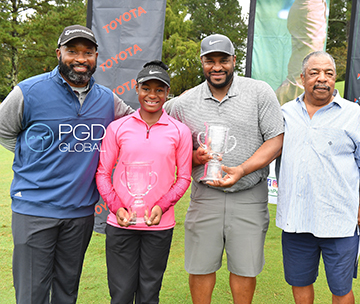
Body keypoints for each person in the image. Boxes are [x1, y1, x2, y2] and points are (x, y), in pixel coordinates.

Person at [0, 25, 134, 304]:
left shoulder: (108, 99)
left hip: (80, 213)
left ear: (97, 56)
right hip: (34, 210)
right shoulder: (29, 90)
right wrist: (30, 157)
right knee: (31, 294)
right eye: (72, 51)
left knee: (66, 291)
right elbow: (3, 129)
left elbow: (139, 125)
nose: (80, 59)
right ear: (59, 53)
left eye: (88, 52)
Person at [169, 34, 284, 304]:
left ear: (234, 60)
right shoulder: (184, 103)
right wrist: (194, 158)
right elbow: (163, 134)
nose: (217, 67)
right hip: (205, 196)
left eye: (223, 60)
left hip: (248, 194)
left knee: (245, 267)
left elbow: (276, 139)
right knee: (200, 265)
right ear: (202, 62)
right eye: (210, 61)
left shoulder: (259, 92)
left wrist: (242, 169)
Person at [276, 51, 360, 304]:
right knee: (300, 282)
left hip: (339, 221)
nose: (322, 79)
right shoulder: (285, 113)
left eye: (329, 73)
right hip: (295, 219)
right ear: (302, 78)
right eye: (314, 73)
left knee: (341, 288)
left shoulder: (352, 113)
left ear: (335, 78)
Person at [96, 60, 192, 303]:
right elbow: (102, 173)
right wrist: (117, 208)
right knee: (121, 294)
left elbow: (183, 178)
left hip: (159, 227)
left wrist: (162, 206)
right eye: (146, 88)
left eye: (159, 89)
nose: (152, 95)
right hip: (121, 226)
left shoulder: (179, 131)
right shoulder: (118, 127)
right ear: (137, 90)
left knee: (150, 294)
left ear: (167, 93)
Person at [275, 0, 328, 104]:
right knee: (303, 72)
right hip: (310, 7)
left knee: (307, 68)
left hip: (314, 6)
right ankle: (273, 110)